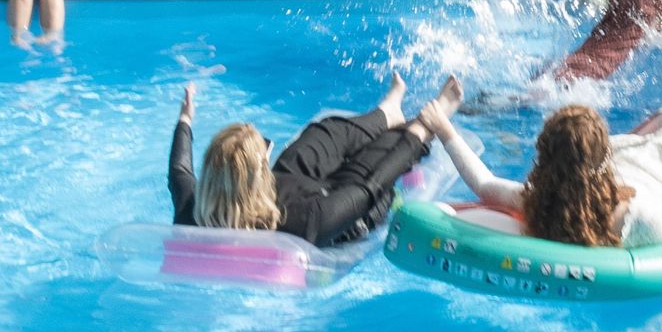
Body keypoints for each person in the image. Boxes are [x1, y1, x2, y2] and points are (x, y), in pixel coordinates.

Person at [432, 98, 662, 247]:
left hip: (632, 171)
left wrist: (445, 130)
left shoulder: (540, 200)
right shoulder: (637, 217)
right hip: (655, 182)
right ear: (601, 160)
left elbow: (483, 184)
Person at [170, 75, 462, 246]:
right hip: (349, 206)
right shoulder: (302, 223)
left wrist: (185, 119)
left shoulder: (191, 209)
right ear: (257, 176)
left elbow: (179, 171)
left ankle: (386, 112)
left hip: (285, 191)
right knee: (374, 156)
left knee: (320, 134)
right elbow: (369, 185)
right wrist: (423, 129)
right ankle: (422, 120)